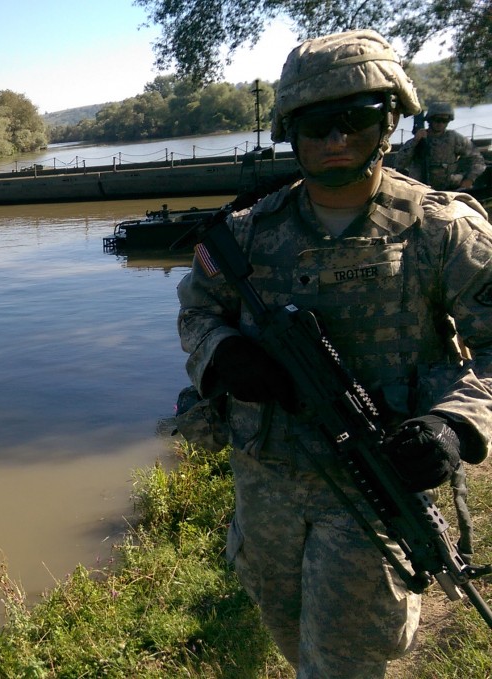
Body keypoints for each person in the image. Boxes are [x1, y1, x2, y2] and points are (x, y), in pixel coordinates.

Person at [176, 29, 492, 677]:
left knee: (341, 660)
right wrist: (223, 349)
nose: (336, 140)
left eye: (357, 119)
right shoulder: (245, 235)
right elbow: (197, 310)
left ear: (392, 121)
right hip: (266, 480)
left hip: (374, 476)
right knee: (292, 637)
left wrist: (454, 423)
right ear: (292, 133)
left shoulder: (442, 229)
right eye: (317, 125)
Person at [395, 101, 487, 191]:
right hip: (421, 190)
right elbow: (399, 163)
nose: (441, 124)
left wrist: (469, 180)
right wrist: (415, 141)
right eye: (437, 120)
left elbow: (477, 160)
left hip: (449, 189)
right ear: (430, 120)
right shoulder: (418, 140)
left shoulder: (454, 138)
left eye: (445, 120)